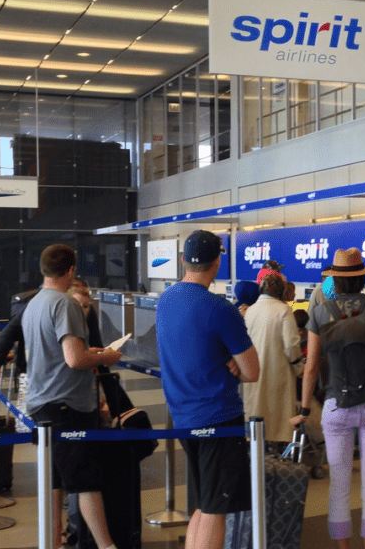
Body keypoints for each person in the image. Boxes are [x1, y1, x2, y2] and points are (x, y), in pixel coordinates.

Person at [291, 248, 365, 549]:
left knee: (339, 484)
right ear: (361, 278)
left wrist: (304, 409)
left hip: (336, 405)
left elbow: (312, 367)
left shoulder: (319, 312)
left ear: (336, 280)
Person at [156, 230, 259, 549]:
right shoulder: (220, 309)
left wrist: (227, 358)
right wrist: (233, 361)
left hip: (182, 417)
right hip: (218, 418)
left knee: (203, 505)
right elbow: (252, 371)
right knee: (217, 511)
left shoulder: (165, 299)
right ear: (217, 263)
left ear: (184, 260)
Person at [23, 244, 123, 549]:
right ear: (70, 270)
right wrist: (105, 357)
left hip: (42, 403)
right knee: (86, 481)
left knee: (55, 483)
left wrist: (89, 352)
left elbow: (56, 352)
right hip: (67, 404)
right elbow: (73, 359)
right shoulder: (64, 303)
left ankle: (53, 541)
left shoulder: (34, 303)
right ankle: (107, 546)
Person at [242, 273, 302, 445]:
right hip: (277, 374)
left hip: (253, 374)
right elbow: (291, 346)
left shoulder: (251, 310)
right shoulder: (283, 310)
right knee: (276, 423)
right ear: (280, 291)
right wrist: (299, 368)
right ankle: (275, 460)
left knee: (256, 420)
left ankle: (257, 458)